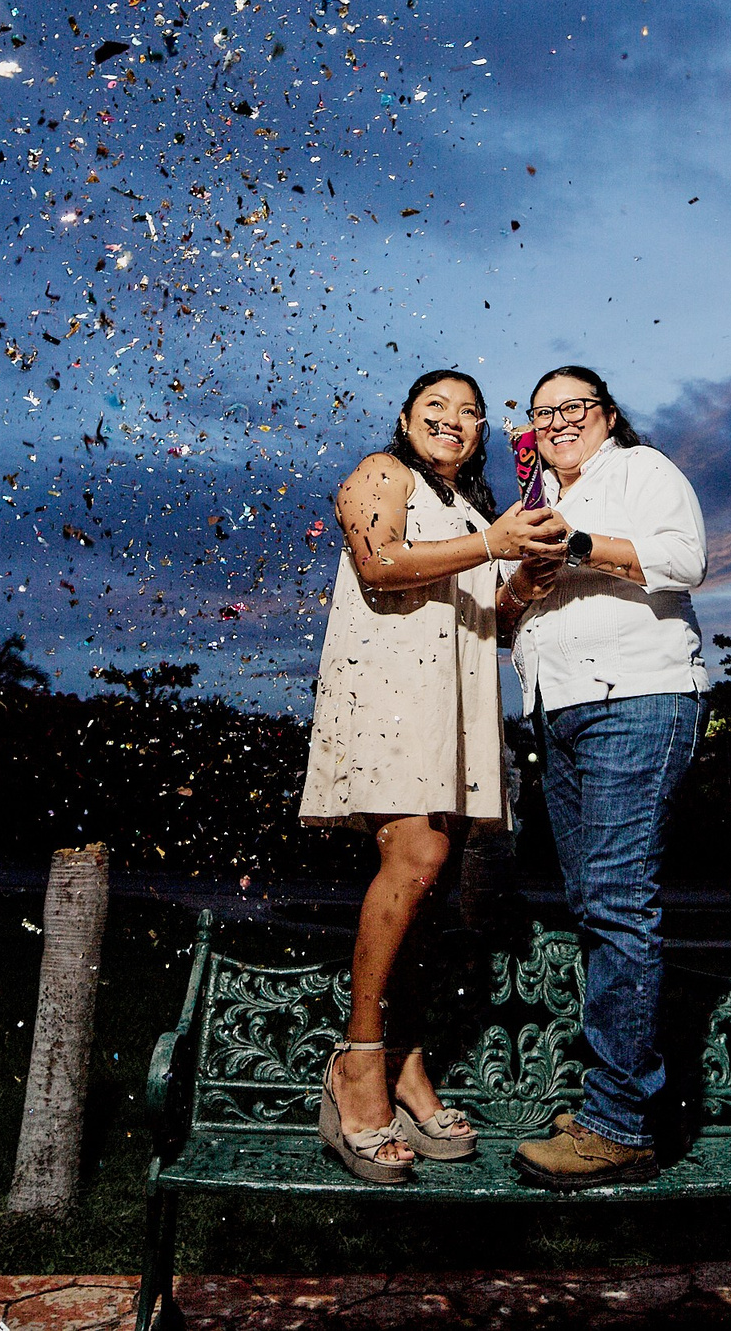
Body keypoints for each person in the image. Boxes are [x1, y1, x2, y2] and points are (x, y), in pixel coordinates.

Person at [299, 368, 568, 1181]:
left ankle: (407, 1062)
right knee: (413, 864)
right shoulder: (381, 475)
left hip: (449, 708)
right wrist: (495, 544)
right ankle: (360, 1063)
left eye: (470, 413)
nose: (454, 420)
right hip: (390, 697)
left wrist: (530, 568)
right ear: (406, 417)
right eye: (436, 408)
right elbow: (380, 563)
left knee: (433, 881)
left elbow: (493, 619)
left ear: (483, 432)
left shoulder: (471, 512)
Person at [501, 364, 709, 1190]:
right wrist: (527, 573)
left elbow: (686, 561)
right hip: (557, 713)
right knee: (593, 903)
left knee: (619, 900)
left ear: (608, 414)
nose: (557, 422)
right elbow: (502, 618)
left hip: (641, 696)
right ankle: (615, 1097)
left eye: (573, 408)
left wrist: (578, 546)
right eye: (543, 412)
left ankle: (619, 1126)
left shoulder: (642, 470)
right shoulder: (528, 504)